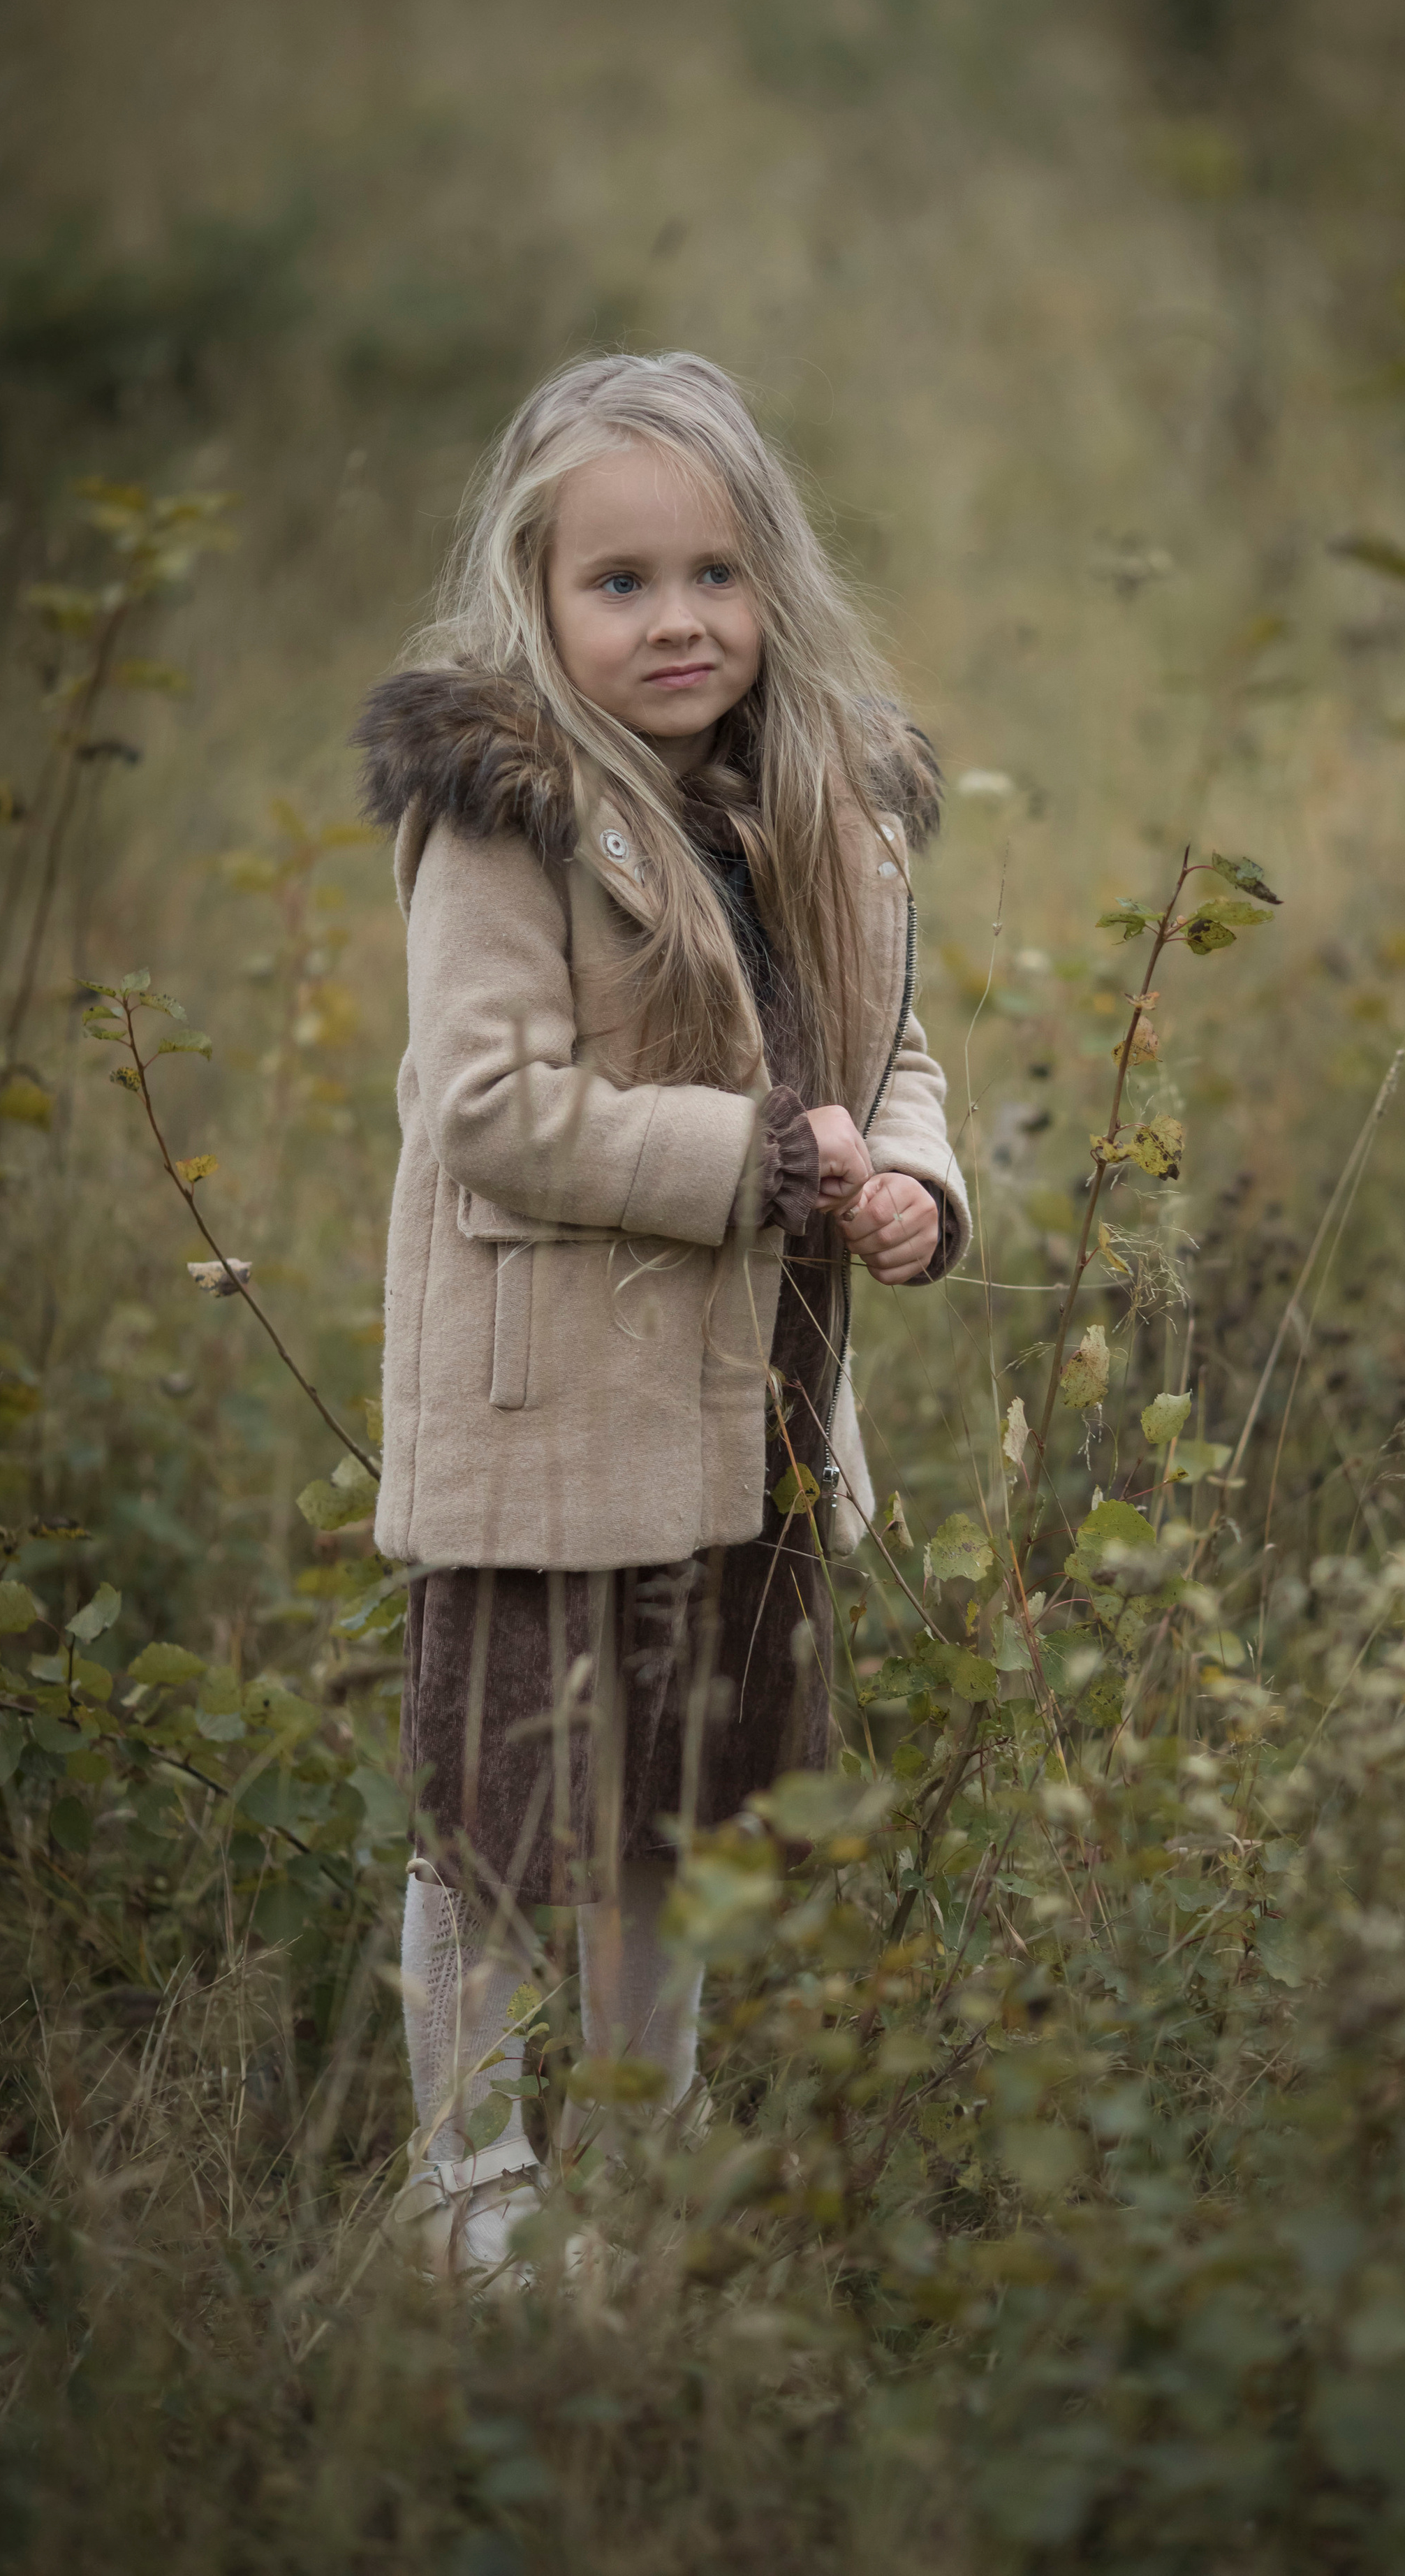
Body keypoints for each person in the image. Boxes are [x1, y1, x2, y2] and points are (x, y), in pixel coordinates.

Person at [355, 351, 970, 2278]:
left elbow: (894, 1054)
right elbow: (486, 1113)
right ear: (538, 600)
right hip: (557, 1416)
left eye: (714, 572)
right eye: (619, 583)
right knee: (507, 1807)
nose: (677, 619)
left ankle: (647, 2149)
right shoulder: (504, 819)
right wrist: (759, 1165)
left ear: (771, 579)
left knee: (675, 1801)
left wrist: (916, 1188)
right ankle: (471, 2187)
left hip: (752, 1415)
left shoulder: (827, 804)